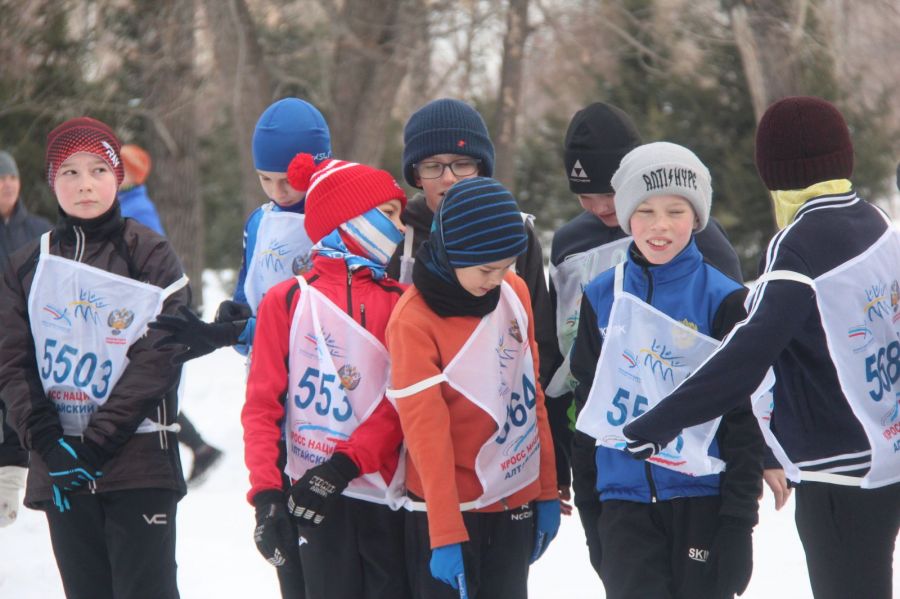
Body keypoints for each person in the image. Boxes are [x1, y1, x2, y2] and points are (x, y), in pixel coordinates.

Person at [623, 97, 900, 599]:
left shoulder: (798, 246)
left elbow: (747, 353)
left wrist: (661, 419)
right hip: (889, 447)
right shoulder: (874, 221)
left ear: (772, 170)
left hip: (839, 471)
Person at [550, 102, 744, 578]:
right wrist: (581, 483)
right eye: (585, 197)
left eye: (605, 194)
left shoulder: (710, 260)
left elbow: (742, 381)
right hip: (622, 482)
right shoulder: (580, 257)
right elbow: (571, 369)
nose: (598, 208)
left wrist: (741, 514)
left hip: (696, 480)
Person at [0, 117, 190, 598]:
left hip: (138, 464)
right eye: (69, 172)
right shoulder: (27, 264)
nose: (85, 184)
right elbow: (12, 361)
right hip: (61, 470)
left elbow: (159, 358)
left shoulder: (151, 254)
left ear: (117, 177)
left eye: (98, 170)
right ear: (50, 182)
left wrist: (97, 442)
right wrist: (48, 442)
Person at [149, 97, 330, 599]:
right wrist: (227, 324)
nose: (277, 191)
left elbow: (323, 314)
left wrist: (245, 330)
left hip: (323, 400)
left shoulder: (333, 220)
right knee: (285, 539)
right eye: (265, 179)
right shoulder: (260, 221)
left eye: (287, 179)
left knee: (326, 539)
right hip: (269, 396)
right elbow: (248, 296)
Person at [242, 155, 410, 599]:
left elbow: (406, 399)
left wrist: (345, 464)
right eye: (389, 214)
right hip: (308, 501)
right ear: (349, 218)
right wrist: (266, 496)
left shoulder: (403, 302)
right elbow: (261, 407)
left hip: (384, 497)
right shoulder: (286, 301)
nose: (400, 226)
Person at [386, 177, 560, 599]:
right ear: (453, 253)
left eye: (506, 266)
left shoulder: (513, 291)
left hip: (512, 497)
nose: (497, 280)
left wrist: (547, 489)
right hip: (448, 508)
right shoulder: (413, 321)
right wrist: (444, 532)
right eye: (486, 269)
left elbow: (529, 392)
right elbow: (425, 435)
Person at [386, 98, 560, 394]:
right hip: (418, 401)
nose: (449, 178)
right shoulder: (399, 232)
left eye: (462, 164)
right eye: (433, 166)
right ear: (416, 174)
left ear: (481, 168)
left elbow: (539, 337)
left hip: (504, 403)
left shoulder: (513, 230)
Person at [118, 143, 223, 486]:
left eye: (118, 167)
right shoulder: (125, 205)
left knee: (146, 389)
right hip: (131, 313)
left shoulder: (138, 210)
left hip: (143, 314)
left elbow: (149, 267)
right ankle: (200, 448)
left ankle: (198, 449)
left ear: (133, 173)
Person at [0, 149, 52, 526]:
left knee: (18, 405)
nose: (7, 185)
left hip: (30, 334)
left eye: (12, 178)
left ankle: (11, 485)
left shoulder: (38, 229)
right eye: (0, 179)